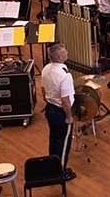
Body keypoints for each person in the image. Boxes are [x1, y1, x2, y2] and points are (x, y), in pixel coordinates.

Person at [40, 43, 76, 180]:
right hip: (61, 113)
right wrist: (69, 117)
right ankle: (60, 173)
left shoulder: (46, 68)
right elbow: (65, 100)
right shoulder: (65, 76)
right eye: (65, 52)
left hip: (50, 109)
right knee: (63, 144)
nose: (67, 53)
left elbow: (43, 90)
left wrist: (49, 100)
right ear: (60, 57)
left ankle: (52, 167)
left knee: (54, 140)